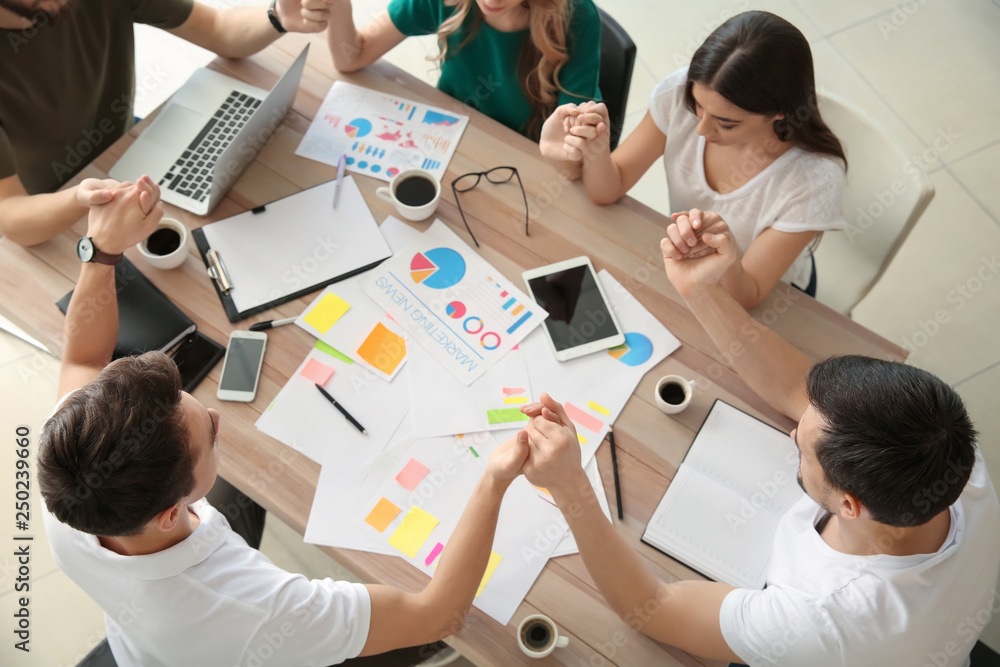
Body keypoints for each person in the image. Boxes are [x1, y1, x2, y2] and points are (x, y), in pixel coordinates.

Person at [37, 177, 530, 665]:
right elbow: (437, 615)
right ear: (169, 514)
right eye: (210, 432)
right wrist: (494, 477)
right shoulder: (260, 611)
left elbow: (81, 359)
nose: (214, 415)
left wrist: (101, 253)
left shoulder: (68, 460)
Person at [514, 224, 1000, 665]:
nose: (791, 432)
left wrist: (570, 486)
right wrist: (700, 291)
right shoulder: (948, 444)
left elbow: (652, 610)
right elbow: (794, 387)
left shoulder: (819, 624)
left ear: (850, 505)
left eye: (803, 450)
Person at [539, 10, 847, 308]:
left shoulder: (814, 180)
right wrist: (596, 147)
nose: (701, 128)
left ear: (780, 111)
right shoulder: (679, 93)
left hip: (763, 291)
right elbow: (606, 190)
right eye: (698, 106)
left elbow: (748, 294)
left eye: (726, 123)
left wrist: (725, 254)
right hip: (690, 265)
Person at [0, 0, 329, 247]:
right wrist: (78, 198)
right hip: (53, 203)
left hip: (129, 146)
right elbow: (12, 216)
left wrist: (277, 16)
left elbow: (219, 30)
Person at [311, 0, 601, 139]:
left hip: (527, 153)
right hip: (450, 135)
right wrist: (337, 7)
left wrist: (566, 147)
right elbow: (351, 57)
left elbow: (570, 152)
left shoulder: (576, 18)